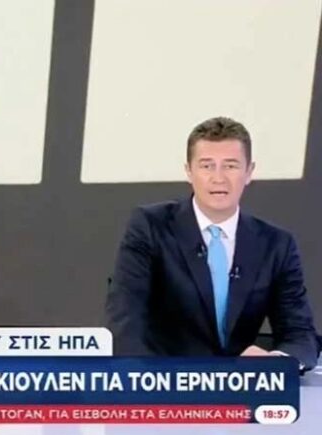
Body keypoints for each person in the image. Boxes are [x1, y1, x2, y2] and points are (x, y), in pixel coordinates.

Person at [106, 116, 319, 369]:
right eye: (207, 166)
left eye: (230, 166)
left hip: (241, 386)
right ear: (189, 171)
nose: (219, 178)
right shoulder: (150, 227)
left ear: (249, 172)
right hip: (166, 383)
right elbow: (125, 321)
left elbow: (300, 334)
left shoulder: (276, 245)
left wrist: (277, 363)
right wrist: (153, 378)